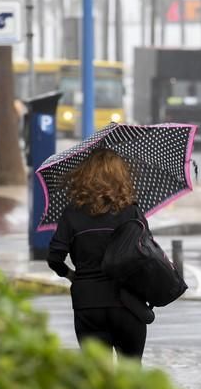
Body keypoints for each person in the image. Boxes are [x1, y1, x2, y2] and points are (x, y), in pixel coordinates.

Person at [47, 148, 153, 361]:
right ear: (121, 176)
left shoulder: (72, 212)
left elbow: (54, 257)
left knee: (97, 378)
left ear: (84, 175)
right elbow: (148, 254)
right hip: (128, 303)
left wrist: (70, 274)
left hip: (88, 302)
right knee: (131, 373)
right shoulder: (131, 212)